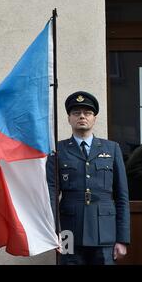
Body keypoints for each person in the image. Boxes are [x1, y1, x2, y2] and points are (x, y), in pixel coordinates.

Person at [47, 91, 130, 265]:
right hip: (68, 232)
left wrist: (122, 239)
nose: (82, 117)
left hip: (105, 231)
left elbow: (122, 197)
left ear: (94, 118)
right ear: (69, 118)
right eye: (76, 113)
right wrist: (52, 233)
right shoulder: (58, 150)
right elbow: (51, 195)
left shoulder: (112, 149)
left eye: (87, 113)